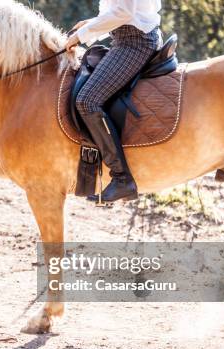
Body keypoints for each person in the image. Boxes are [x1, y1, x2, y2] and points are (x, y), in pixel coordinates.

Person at [65, 0, 163, 202]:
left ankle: (122, 178)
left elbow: (124, 12)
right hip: (125, 38)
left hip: (135, 43)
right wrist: (90, 24)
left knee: (87, 100)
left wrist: (80, 36)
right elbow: (125, 12)